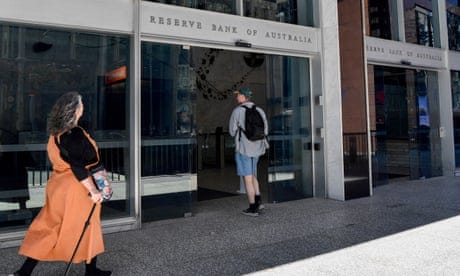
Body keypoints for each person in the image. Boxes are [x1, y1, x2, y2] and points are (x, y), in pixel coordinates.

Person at [11, 92, 111, 276]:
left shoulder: (56, 134)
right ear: (75, 109)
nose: (83, 107)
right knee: (88, 225)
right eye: (81, 104)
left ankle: (24, 272)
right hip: (77, 188)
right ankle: (91, 271)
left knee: (49, 227)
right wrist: (94, 190)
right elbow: (78, 166)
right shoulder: (75, 133)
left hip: (58, 186)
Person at [229, 88, 269, 217]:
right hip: (257, 148)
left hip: (244, 149)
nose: (236, 98)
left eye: (238, 95)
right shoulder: (260, 110)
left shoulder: (237, 111)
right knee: (252, 175)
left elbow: (232, 131)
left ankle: (252, 207)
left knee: (247, 178)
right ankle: (259, 201)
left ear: (243, 97)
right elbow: (266, 131)